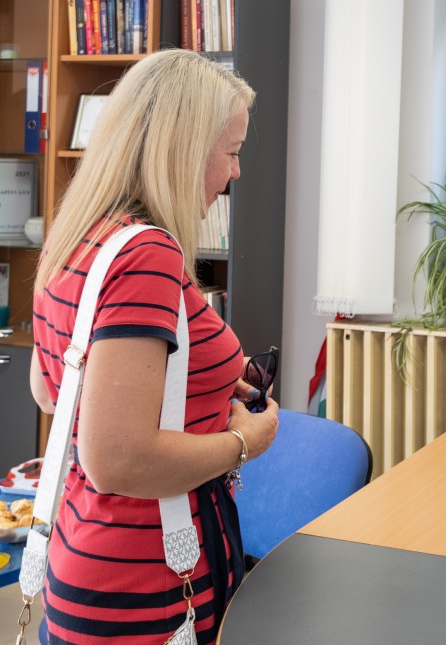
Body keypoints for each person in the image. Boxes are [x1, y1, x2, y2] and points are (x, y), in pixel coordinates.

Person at [28, 49, 279, 644]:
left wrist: (200, 380)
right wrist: (246, 440)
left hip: (88, 559)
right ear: (184, 148)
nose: (236, 173)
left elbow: (53, 390)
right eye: (232, 152)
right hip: (146, 586)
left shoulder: (79, 234)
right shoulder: (148, 255)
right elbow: (117, 459)